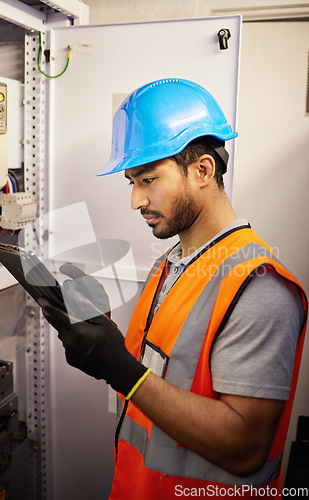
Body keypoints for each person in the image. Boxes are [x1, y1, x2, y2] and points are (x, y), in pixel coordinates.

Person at [41, 79, 308, 499]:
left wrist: (120, 369)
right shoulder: (172, 262)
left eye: (147, 179)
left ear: (202, 170)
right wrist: (104, 336)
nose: (135, 200)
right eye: (132, 181)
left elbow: (246, 448)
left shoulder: (258, 286)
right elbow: (166, 373)